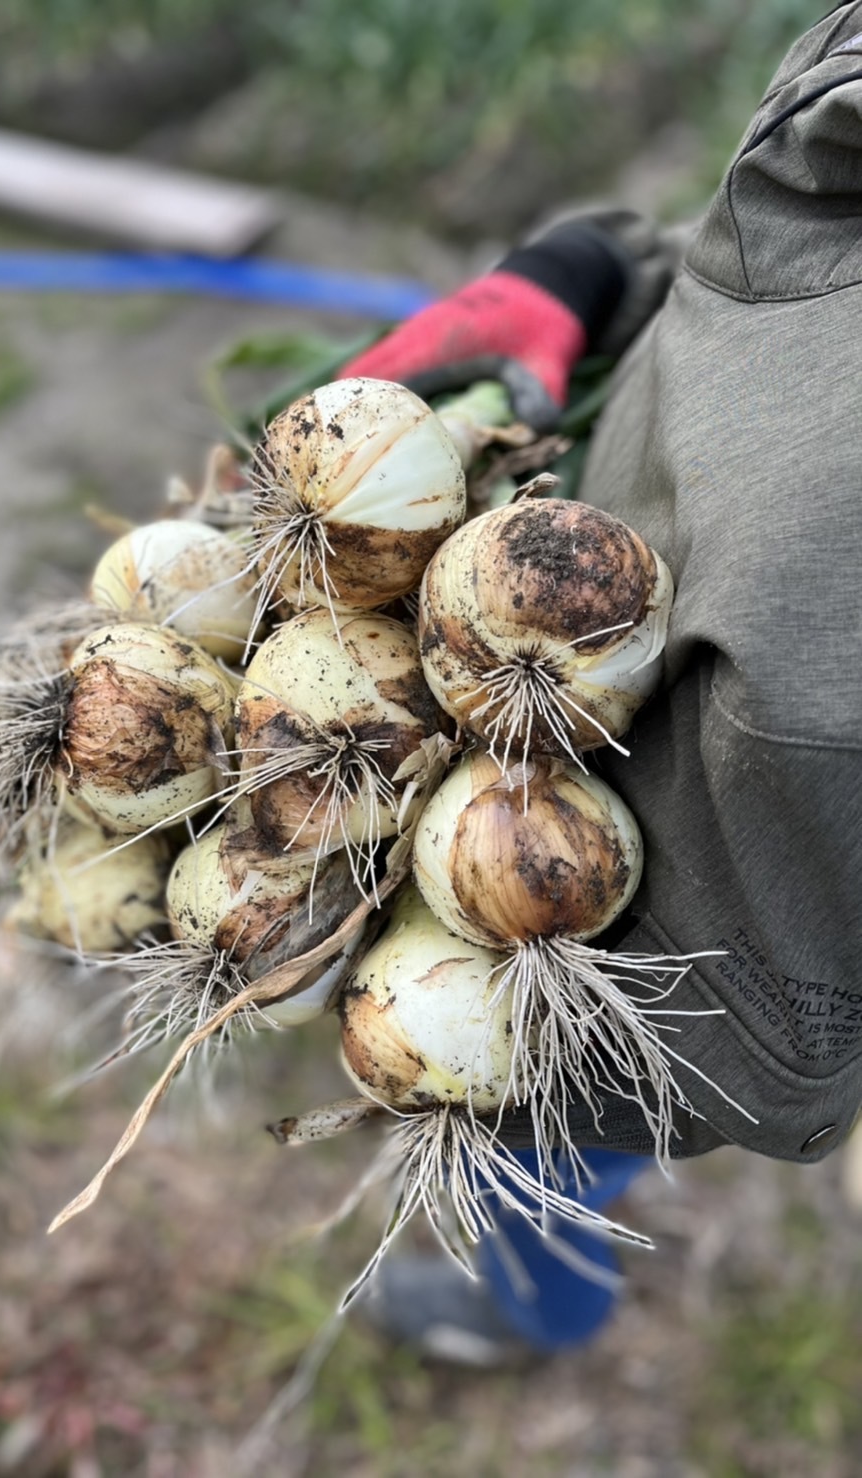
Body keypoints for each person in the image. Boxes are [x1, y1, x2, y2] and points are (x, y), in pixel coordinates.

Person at [341, 1, 862, 1361]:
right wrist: (605, 276)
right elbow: (795, 248)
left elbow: (789, 1028)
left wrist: (576, 1053)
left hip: (649, 956)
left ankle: (532, 1306)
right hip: (579, 705)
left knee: (527, 1132)